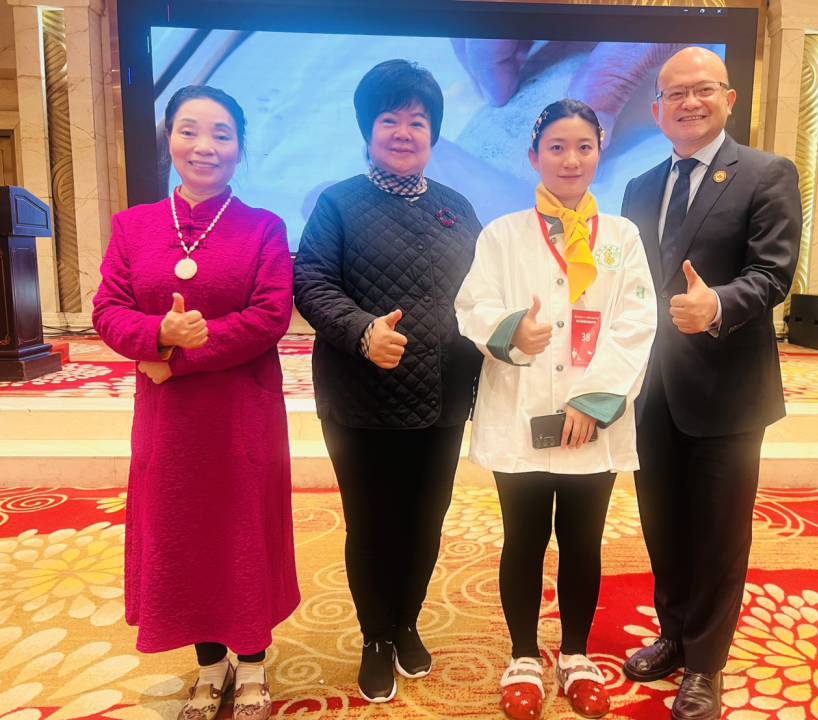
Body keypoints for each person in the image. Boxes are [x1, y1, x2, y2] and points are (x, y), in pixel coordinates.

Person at [92, 85, 300, 720]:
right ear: (169, 140)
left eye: (221, 134)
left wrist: (177, 354)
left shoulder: (264, 227)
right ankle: (211, 669)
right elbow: (107, 309)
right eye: (189, 130)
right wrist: (156, 332)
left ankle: (254, 665)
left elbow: (270, 316)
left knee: (242, 535)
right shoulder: (133, 226)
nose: (204, 146)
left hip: (241, 414)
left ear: (239, 147)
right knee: (185, 539)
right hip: (171, 422)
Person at [456, 99, 656, 720]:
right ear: (534, 156)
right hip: (520, 414)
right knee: (523, 539)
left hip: (591, 423)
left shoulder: (621, 237)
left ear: (600, 152)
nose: (571, 159)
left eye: (584, 147)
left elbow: (636, 321)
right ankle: (522, 655)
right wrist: (513, 331)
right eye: (557, 147)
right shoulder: (502, 234)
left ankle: (574, 655)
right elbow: (473, 305)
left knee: (582, 541)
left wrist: (594, 401)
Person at [292, 59, 482, 704]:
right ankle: (375, 636)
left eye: (418, 121)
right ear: (367, 129)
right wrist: (363, 330)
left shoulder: (457, 208)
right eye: (390, 119)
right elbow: (312, 282)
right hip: (359, 401)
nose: (404, 132)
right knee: (371, 523)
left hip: (443, 399)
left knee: (425, 520)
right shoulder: (338, 203)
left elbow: (484, 295)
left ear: (434, 133)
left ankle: (406, 623)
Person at [620, 47, 802, 720]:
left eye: (702, 90)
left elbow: (774, 272)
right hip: (652, 389)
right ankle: (673, 635)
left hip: (728, 391)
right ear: (657, 110)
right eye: (675, 93)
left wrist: (718, 304)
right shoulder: (639, 187)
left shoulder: (766, 173)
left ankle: (705, 664)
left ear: (728, 98)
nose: (689, 102)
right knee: (663, 523)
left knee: (720, 533)